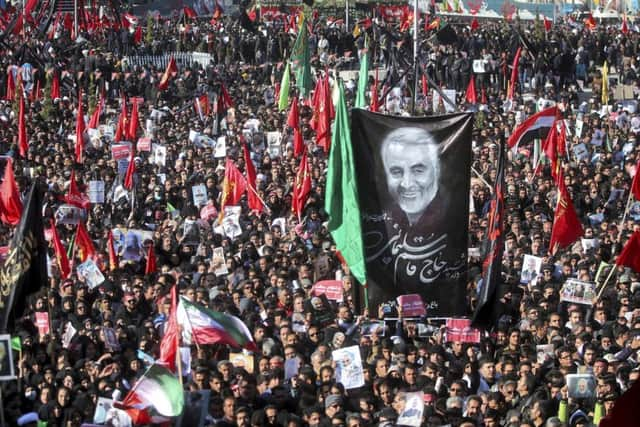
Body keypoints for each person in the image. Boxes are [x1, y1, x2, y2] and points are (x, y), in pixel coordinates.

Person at [380, 127, 441, 226]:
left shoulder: (452, 218)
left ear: (436, 169)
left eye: (418, 171)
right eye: (396, 172)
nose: (406, 184)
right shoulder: (382, 221)